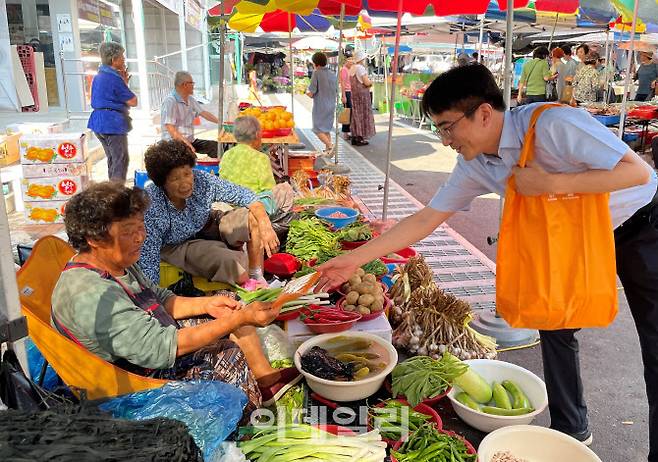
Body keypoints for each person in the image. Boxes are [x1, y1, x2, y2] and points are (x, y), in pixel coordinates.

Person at [316, 64, 658, 461]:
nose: (445, 141)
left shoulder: (555, 125)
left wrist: (552, 185)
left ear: (482, 113)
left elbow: (638, 172)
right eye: (439, 130)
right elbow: (427, 217)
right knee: (553, 323)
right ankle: (570, 430)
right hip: (572, 239)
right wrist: (352, 259)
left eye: (447, 127)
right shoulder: (476, 162)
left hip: (640, 227)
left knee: (655, 344)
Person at [52, 182, 299, 415]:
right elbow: (161, 348)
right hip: (132, 377)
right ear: (94, 239)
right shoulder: (92, 295)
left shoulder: (115, 261)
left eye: (141, 226)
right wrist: (237, 320)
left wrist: (208, 304)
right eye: (129, 232)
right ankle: (249, 422)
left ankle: (265, 381)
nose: (141, 237)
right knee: (227, 354)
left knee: (226, 302)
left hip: (151, 339)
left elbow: (157, 296)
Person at [138, 140, 279, 287]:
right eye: (175, 179)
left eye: (187, 174)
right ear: (162, 182)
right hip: (177, 245)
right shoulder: (152, 204)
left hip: (206, 223)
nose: (185, 183)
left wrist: (265, 224)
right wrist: (151, 298)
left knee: (251, 219)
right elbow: (148, 256)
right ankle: (248, 284)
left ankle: (257, 277)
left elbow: (246, 195)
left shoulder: (202, 180)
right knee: (235, 267)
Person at [219, 115, 294, 216]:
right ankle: (277, 218)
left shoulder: (227, 155)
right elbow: (268, 188)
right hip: (254, 207)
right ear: (257, 135)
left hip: (230, 205)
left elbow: (222, 183)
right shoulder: (261, 158)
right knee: (285, 188)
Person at [87, 42, 137, 181]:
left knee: (112, 159)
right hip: (112, 123)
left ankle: (111, 190)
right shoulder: (114, 78)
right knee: (120, 160)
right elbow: (133, 101)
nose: (124, 60)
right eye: (122, 57)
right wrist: (124, 83)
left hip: (99, 122)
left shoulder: (99, 76)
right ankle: (116, 194)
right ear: (114, 60)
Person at [161, 71, 219, 158]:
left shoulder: (190, 99)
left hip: (189, 141)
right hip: (173, 144)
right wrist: (187, 144)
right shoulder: (170, 101)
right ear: (184, 85)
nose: (193, 85)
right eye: (192, 83)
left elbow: (204, 113)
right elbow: (171, 129)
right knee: (191, 160)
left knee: (216, 147)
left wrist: (221, 122)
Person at [306, 52, 337, 155]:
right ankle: (328, 150)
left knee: (317, 129)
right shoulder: (332, 73)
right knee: (326, 128)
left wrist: (305, 91)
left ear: (315, 62)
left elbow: (311, 92)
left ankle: (330, 145)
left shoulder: (317, 73)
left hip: (320, 106)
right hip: (331, 104)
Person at [348, 50, 376, 146]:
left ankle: (355, 136)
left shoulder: (352, 68)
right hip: (362, 96)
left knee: (356, 116)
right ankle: (360, 137)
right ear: (362, 59)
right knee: (363, 115)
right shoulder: (360, 68)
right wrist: (371, 82)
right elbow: (367, 82)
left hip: (354, 95)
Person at [339, 56, 354, 141]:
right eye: (350, 59)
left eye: (353, 59)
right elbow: (342, 83)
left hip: (351, 92)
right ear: (346, 60)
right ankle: (345, 133)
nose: (352, 61)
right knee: (346, 112)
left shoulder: (350, 69)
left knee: (350, 112)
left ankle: (349, 131)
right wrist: (343, 95)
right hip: (347, 92)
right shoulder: (344, 69)